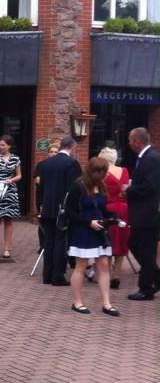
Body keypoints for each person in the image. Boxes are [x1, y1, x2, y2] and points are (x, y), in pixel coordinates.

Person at [63, 157, 119, 316]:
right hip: (83, 230)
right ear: (94, 171)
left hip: (100, 230)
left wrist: (112, 217)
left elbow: (102, 208)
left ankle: (107, 303)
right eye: (103, 172)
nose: (105, 175)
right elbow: (70, 212)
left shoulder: (101, 186)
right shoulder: (78, 187)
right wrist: (88, 222)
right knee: (81, 265)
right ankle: (77, 301)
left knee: (103, 265)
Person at [36, 136, 81, 285]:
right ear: (72, 148)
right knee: (61, 242)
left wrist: (42, 205)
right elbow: (73, 189)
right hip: (63, 208)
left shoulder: (45, 163)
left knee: (48, 242)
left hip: (47, 207)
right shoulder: (72, 164)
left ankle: (47, 275)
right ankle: (58, 276)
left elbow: (41, 188)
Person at [123, 127, 160, 300]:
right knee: (137, 245)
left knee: (143, 248)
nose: (129, 144)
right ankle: (154, 278)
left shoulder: (151, 158)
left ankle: (146, 288)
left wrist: (129, 189)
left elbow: (150, 186)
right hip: (142, 212)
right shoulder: (146, 157)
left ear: (137, 141)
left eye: (131, 140)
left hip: (147, 213)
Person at [0, 134, 21, 259]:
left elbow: (19, 175)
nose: (0, 147)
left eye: (3, 145)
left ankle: (7, 249)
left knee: (9, 221)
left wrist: (11, 180)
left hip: (10, 192)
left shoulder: (15, 159)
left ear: (9, 146)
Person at [99, 146, 130, 290]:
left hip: (108, 208)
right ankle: (116, 276)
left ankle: (106, 273)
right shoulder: (124, 171)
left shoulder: (102, 174)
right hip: (124, 209)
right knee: (121, 241)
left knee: (108, 241)